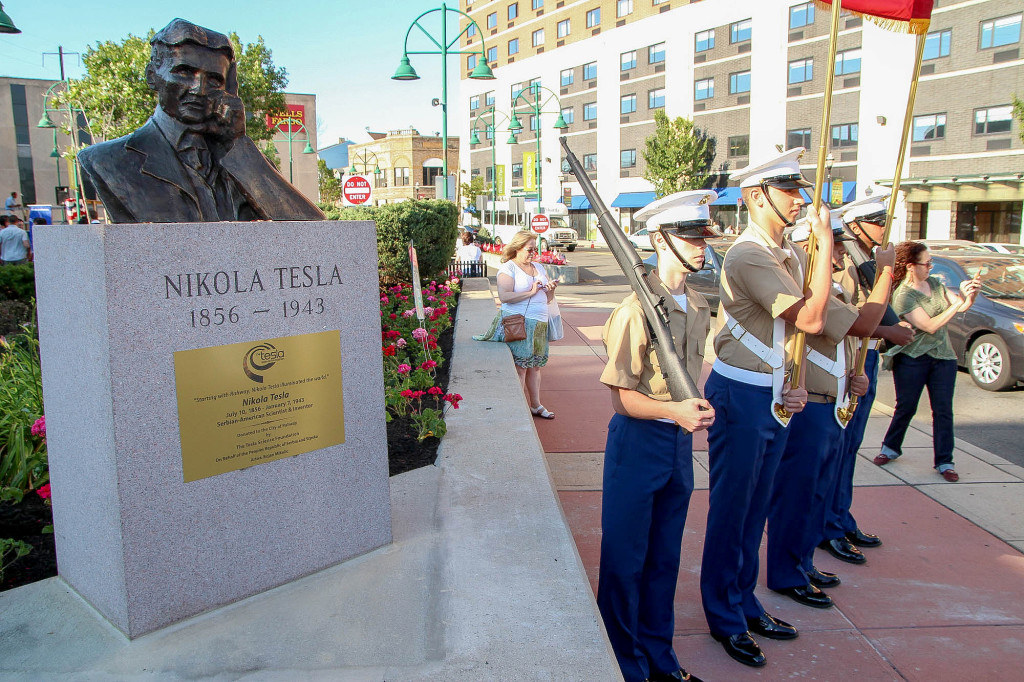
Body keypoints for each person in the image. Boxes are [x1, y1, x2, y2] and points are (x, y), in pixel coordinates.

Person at [700, 148, 834, 669]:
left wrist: (791, 382)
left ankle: (744, 600)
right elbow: (812, 320)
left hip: (772, 392)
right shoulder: (749, 254)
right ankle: (724, 615)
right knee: (733, 513)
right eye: (790, 192)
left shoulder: (785, 254)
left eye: (799, 191)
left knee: (756, 512)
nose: (800, 201)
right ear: (757, 197)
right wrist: (822, 248)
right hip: (742, 396)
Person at [597, 190, 718, 682]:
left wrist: (688, 412)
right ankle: (625, 666)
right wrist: (676, 410)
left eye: (703, 235)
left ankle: (660, 660)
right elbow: (620, 398)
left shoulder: (698, 304)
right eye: (689, 236)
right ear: (659, 240)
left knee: (664, 560)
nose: (700, 245)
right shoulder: (634, 310)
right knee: (626, 562)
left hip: (677, 445)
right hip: (638, 441)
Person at [765, 213, 894, 612]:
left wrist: (855, 379)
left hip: (832, 402)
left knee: (816, 492)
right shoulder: (810, 293)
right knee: (797, 496)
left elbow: (849, 342)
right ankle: (787, 572)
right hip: (811, 408)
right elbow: (868, 323)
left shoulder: (834, 288)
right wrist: (886, 271)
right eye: (832, 245)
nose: (841, 252)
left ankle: (802, 562)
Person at [78, 18, 324, 224]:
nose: (199, 89)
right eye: (185, 72)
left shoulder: (242, 160)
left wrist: (235, 145)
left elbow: (315, 235)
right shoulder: (106, 160)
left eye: (215, 79)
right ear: (152, 76)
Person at [817, 191, 915, 565]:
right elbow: (852, 322)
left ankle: (841, 518)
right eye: (877, 222)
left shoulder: (865, 261)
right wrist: (887, 333)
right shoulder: (845, 265)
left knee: (849, 449)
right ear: (856, 225)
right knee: (837, 452)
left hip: (863, 362)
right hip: (847, 363)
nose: (884, 229)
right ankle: (829, 525)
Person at [875, 242, 980, 482]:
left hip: (943, 357)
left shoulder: (935, 284)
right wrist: (956, 304)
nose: (931, 267)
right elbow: (930, 326)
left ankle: (945, 461)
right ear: (911, 267)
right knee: (906, 406)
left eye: (931, 262)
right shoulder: (903, 295)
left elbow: (961, 305)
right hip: (912, 357)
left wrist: (969, 295)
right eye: (927, 263)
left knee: (943, 411)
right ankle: (889, 448)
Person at [491, 231, 558, 418]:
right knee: (520, 367)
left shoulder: (539, 268)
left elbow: (547, 299)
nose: (533, 253)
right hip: (518, 323)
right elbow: (504, 297)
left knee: (535, 366)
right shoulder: (508, 268)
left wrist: (551, 290)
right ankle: (518, 408)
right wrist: (530, 292)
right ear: (517, 248)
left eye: (535, 249)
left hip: (539, 322)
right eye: (529, 249)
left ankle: (535, 405)